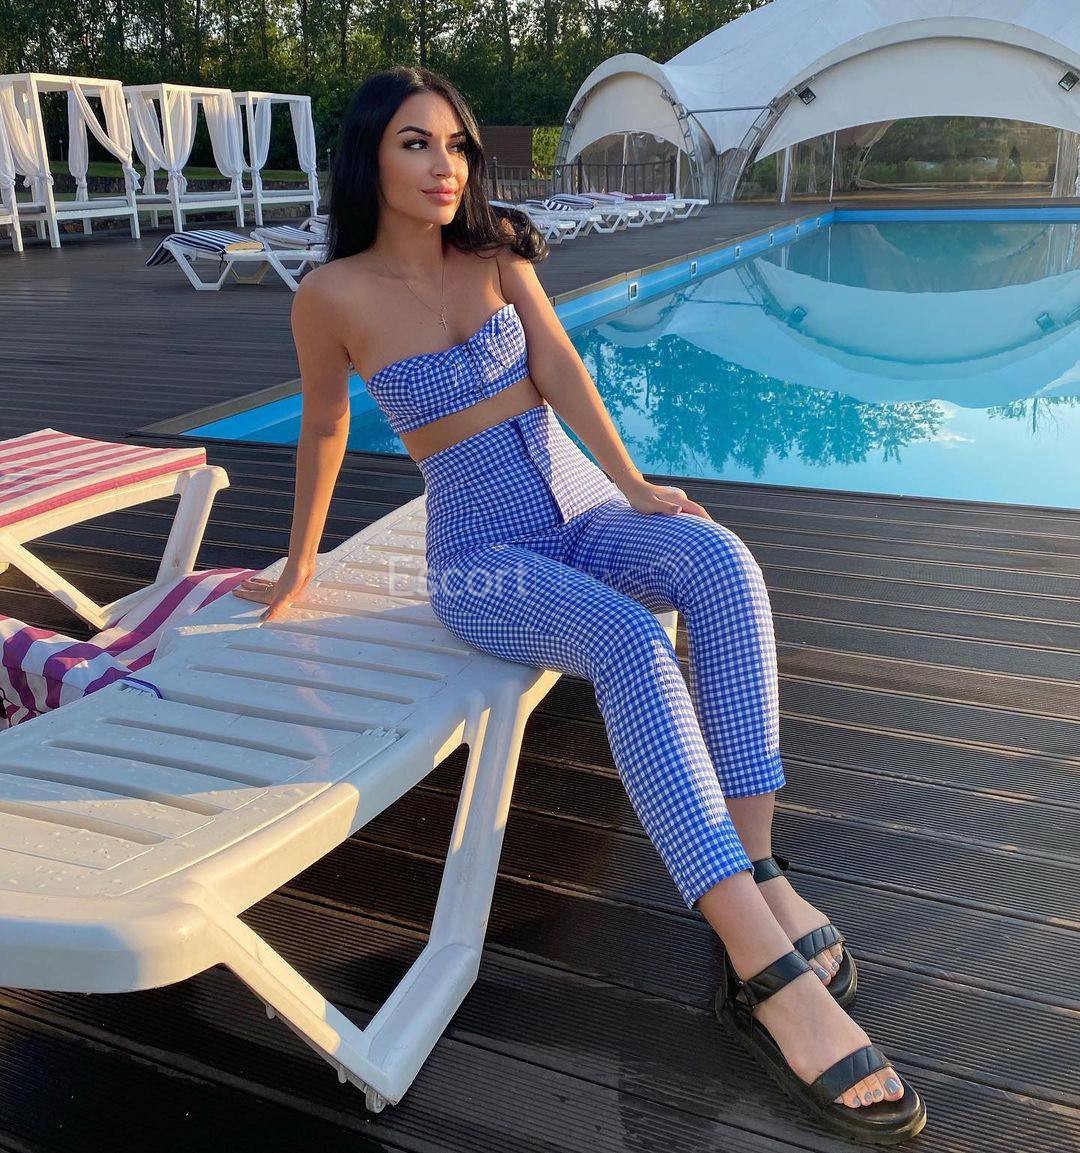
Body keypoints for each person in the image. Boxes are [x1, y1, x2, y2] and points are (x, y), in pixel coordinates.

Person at [234, 66, 925, 1145]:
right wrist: (299, 566)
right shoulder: (332, 296)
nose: (445, 166)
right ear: (369, 155)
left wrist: (636, 485)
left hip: (586, 510)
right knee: (628, 640)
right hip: (483, 558)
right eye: (417, 143)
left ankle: (756, 863)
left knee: (722, 563)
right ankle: (762, 962)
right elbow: (323, 428)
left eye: (457, 145)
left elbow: (560, 370)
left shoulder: (496, 255)